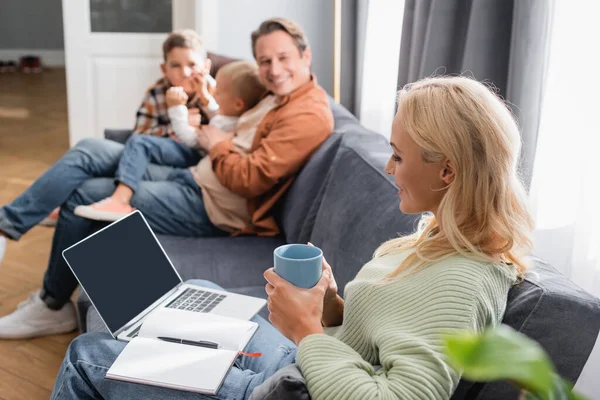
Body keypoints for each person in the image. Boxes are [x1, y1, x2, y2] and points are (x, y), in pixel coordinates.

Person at [50, 75, 534, 399]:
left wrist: (306, 330)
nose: (389, 168)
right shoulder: (440, 237)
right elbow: (388, 332)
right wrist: (330, 306)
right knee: (198, 297)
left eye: (399, 156)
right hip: (307, 359)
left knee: (87, 356)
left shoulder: (463, 280)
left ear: (447, 170)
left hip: (292, 385)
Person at [0, 17, 333, 339]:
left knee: (86, 194)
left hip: (214, 207)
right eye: (265, 60)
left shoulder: (308, 113)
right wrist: (210, 120)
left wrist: (216, 145)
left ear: (306, 55)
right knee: (90, 150)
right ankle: (6, 226)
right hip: (197, 176)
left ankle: (51, 304)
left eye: (283, 58)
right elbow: (232, 115)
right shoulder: (277, 95)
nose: (274, 70)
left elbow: (249, 179)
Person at [74, 60, 268, 223]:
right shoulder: (237, 117)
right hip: (194, 172)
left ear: (238, 103)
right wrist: (204, 94)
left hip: (197, 175)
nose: (213, 93)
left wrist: (176, 109)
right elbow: (216, 111)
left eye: (219, 91)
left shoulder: (227, 127)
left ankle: (119, 200)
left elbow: (189, 137)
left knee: (138, 144)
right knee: (94, 153)